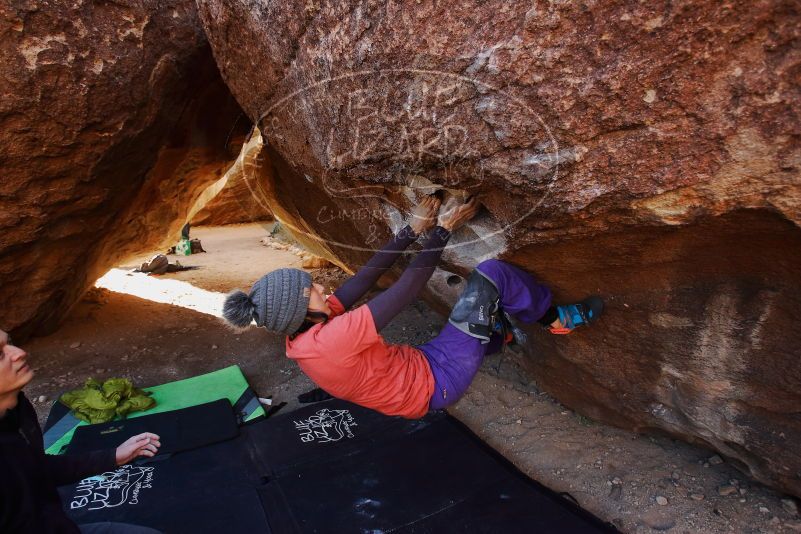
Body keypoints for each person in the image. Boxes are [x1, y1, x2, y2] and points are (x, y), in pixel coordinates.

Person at [223, 196, 603, 418]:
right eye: (312, 290)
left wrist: (409, 230)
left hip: (418, 369)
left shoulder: (305, 332)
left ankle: (499, 335)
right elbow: (406, 291)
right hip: (437, 382)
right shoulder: (332, 341)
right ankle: (558, 319)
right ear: (302, 311)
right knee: (492, 275)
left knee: (471, 324)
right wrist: (442, 229)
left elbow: (365, 278)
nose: (321, 287)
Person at [0, 329, 162, 533]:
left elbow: (34, 467)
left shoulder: (15, 410)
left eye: (10, 342)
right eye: (0, 354)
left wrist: (112, 457)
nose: (19, 352)